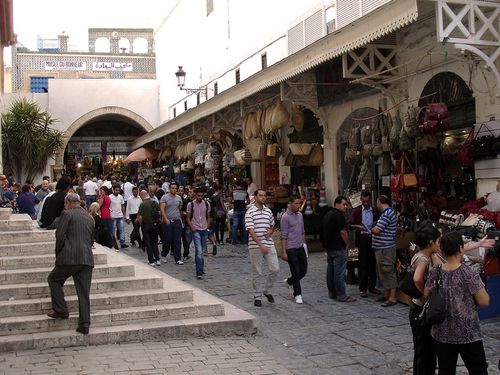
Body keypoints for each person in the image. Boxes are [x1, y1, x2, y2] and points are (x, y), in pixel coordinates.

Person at [425, 231, 490, 375]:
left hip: (441, 331)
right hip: (467, 331)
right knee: (478, 370)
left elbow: (426, 293)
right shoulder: (468, 273)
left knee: (446, 370)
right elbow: (484, 301)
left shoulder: (436, 270)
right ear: (461, 248)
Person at [46, 193, 95, 335]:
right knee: (84, 293)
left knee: (53, 279)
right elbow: (91, 240)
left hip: (69, 257)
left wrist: (58, 254)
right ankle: (84, 324)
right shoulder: (89, 217)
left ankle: (61, 309)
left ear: (68, 203)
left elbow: (60, 236)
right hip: (86, 258)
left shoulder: (67, 214)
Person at [408, 220, 441, 375]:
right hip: (421, 310)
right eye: (438, 242)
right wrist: (424, 292)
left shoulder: (420, 254)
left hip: (416, 308)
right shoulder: (424, 259)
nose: (439, 245)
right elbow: (416, 278)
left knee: (422, 349)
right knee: (424, 350)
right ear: (430, 242)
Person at [245, 189, 279, 307]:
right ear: (255, 197)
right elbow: (250, 230)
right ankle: (257, 296)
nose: (263, 197)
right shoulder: (250, 212)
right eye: (260, 195)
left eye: (264, 195)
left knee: (275, 268)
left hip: (269, 243)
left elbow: (272, 225)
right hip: (255, 246)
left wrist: (270, 231)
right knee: (257, 272)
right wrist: (260, 244)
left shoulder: (268, 211)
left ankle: (267, 290)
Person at [347, 190, 381, 298]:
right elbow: (349, 224)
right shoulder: (357, 211)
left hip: (373, 238)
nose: (365, 204)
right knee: (363, 264)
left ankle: (372, 286)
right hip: (362, 239)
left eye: (367, 201)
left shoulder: (375, 211)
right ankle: (363, 288)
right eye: (363, 201)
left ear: (370, 200)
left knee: (373, 263)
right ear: (361, 200)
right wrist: (357, 226)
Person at [323, 196, 356, 302]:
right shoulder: (338, 216)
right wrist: (347, 244)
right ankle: (341, 294)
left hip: (330, 247)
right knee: (339, 272)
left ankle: (332, 292)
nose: (345, 207)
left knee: (331, 270)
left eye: (346, 205)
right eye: (344, 204)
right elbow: (343, 232)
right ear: (337, 204)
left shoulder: (328, 214)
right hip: (338, 247)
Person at [371, 195, 398, 307]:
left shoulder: (387, 214)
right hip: (382, 247)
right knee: (382, 272)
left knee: (388, 271)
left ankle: (392, 297)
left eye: (377, 202)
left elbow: (377, 230)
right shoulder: (387, 213)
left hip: (385, 248)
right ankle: (386, 294)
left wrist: (370, 229)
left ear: (379, 202)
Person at [280, 195, 307, 304]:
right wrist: (283, 251)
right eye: (296, 203)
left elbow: (302, 231)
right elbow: (283, 235)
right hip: (291, 248)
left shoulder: (300, 215)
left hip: (300, 246)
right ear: (290, 203)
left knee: (303, 270)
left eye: (299, 203)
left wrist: (304, 244)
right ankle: (297, 293)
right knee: (295, 271)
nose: (298, 205)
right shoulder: (285, 217)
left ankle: (290, 281)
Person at [186, 187, 211, 279]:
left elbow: (208, 216)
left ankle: (200, 268)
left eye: (201, 195)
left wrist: (208, 226)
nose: (200, 197)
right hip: (195, 229)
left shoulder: (207, 204)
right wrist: (192, 227)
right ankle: (199, 271)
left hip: (204, 229)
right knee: (199, 251)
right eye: (198, 195)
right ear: (195, 195)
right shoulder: (190, 204)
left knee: (202, 251)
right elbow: (188, 217)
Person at [160, 181, 184, 264]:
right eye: (173, 188)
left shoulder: (179, 198)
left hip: (177, 220)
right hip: (168, 220)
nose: (174, 190)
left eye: (175, 188)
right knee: (168, 239)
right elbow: (162, 209)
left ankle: (178, 258)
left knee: (177, 240)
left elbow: (180, 207)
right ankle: (164, 254)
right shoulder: (164, 197)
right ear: (170, 189)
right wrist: (165, 219)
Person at [136, 190, 161, 266]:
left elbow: (140, 217)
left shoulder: (142, 205)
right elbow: (159, 213)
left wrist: (141, 225)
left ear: (142, 195)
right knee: (155, 243)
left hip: (146, 226)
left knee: (148, 243)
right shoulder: (155, 203)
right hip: (155, 225)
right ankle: (157, 259)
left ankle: (151, 261)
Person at [109, 185, 128, 250]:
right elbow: (108, 206)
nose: (117, 191)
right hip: (113, 216)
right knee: (112, 230)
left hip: (120, 216)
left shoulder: (120, 197)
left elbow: (122, 206)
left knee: (122, 229)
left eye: (118, 190)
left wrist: (124, 215)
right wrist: (110, 214)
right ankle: (112, 242)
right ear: (113, 190)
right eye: (116, 190)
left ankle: (122, 243)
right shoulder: (110, 197)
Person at [231, 180, 249, 245]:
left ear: (236, 185)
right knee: (244, 226)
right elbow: (248, 201)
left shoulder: (233, 192)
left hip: (236, 210)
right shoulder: (245, 192)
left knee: (235, 226)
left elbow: (231, 200)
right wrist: (244, 203)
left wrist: (235, 202)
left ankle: (234, 241)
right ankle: (245, 241)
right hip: (243, 210)